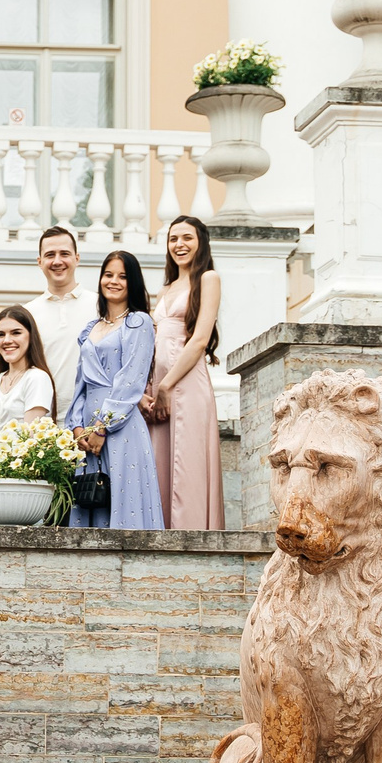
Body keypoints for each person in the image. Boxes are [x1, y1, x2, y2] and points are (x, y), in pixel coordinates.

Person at [67, 249, 163, 531]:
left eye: (122, 276)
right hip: (87, 431)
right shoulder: (90, 328)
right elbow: (81, 383)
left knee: (123, 501)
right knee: (90, 498)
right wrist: (77, 427)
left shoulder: (138, 322)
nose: (114, 281)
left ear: (133, 282)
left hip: (120, 427)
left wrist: (102, 426)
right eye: (108, 275)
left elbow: (131, 379)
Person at [146, 214, 226, 531]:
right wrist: (153, 387)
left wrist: (167, 385)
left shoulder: (208, 279)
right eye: (173, 239)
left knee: (188, 460)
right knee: (161, 459)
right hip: (158, 382)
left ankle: (192, 532)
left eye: (187, 237)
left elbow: (201, 339)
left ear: (200, 242)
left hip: (187, 381)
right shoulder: (164, 289)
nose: (179, 244)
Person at [31, 226, 89, 392]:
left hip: (92, 407)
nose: (57, 261)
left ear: (77, 259)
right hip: (44, 407)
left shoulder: (100, 305)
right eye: (50, 255)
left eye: (64, 254)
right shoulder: (28, 313)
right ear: (40, 262)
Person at [0, 304, 58, 426]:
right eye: (0, 334)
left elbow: (30, 433)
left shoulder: (37, 378)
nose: (7, 340)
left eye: (16, 333)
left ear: (31, 336)